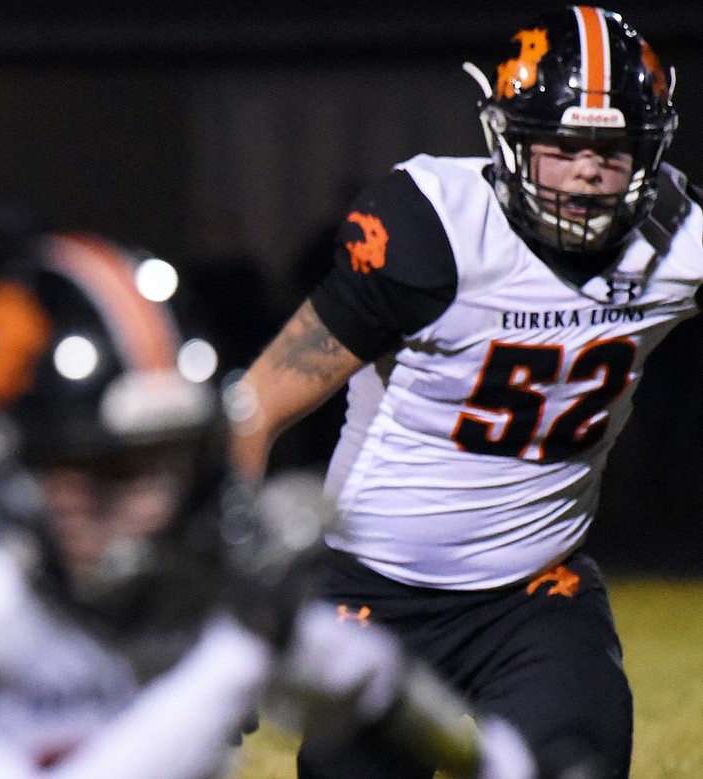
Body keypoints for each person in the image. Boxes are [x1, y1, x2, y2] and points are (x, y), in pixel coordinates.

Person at [0, 235, 536, 779]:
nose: (154, 505)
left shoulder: (171, 589)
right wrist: (240, 650)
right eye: (110, 468)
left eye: (172, 464)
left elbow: (364, 680)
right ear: (0, 466)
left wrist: (497, 761)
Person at [227, 6, 699, 778]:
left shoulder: (680, 238)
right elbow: (253, 408)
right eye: (564, 145)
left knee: (575, 759)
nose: (588, 169)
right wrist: (233, 602)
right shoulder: (433, 229)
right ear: (508, 138)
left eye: (612, 150)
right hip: (374, 596)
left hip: (537, 589)